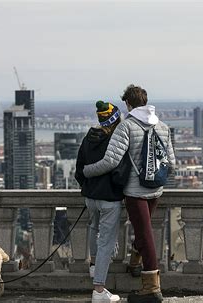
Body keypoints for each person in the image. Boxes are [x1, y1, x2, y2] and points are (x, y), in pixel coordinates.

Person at [83, 84, 175, 303]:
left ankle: (151, 288)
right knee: (143, 230)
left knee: (145, 234)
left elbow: (110, 161)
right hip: (157, 189)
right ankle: (135, 262)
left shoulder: (127, 127)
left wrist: (88, 171)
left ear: (128, 104)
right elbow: (171, 163)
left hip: (135, 192)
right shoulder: (163, 126)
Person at [75, 100, 128, 303]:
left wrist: (88, 186)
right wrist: (117, 189)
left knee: (93, 228)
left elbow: (79, 169)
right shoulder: (115, 140)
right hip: (109, 199)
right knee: (106, 242)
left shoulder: (88, 138)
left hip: (91, 197)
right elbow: (120, 172)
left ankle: (93, 267)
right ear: (115, 119)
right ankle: (99, 290)